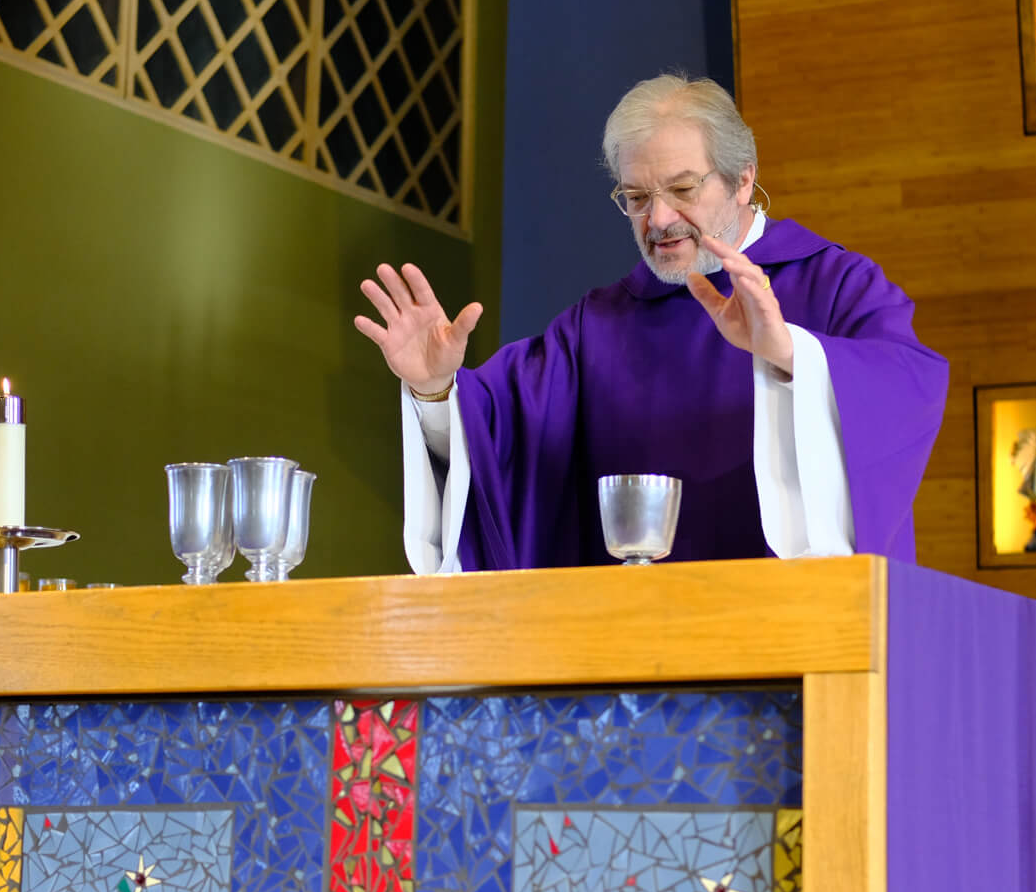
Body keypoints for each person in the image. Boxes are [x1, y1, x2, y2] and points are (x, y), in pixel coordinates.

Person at [354, 73, 949, 572]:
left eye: (682, 189)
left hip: (791, 639)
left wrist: (794, 356)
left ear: (743, 180)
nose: (659, 218)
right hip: (634, 656)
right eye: (636, 197)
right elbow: (497, 446)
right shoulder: (599, 329)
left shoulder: (835, 284)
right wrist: (435, 389)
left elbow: (908, 387)